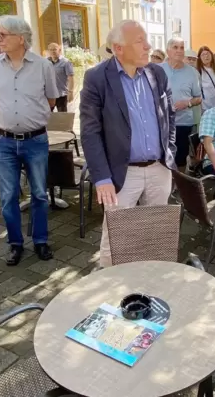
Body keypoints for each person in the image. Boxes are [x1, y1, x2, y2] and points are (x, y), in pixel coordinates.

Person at [80, 20, 176, 268]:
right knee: (116, 240)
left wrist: (170, 150)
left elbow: (169, 115)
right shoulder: (97, 78)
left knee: (155, 235)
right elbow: (90, 132)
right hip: (121, 174)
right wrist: (101, 178)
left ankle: (150, 283)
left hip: (158, 169)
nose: (148, 46)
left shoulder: (157, 73)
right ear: (118, 48)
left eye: (146, 40)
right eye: (139, 41)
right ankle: (113, 291)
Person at [0, 16, 58, 266]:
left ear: (21, 38)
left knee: (39, 193)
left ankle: (40, 240)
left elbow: (51, 100)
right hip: (4, 142)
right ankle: (15, 244)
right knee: (7, 196)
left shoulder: (43, 66)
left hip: (35, 140)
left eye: (3, 34)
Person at [160, 37, 202, 172]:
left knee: (181, 156)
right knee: (161, 155)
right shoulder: (157, 70)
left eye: (182, 47)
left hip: (183, 122)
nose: (179, 51)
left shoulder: (192, 73)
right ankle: (165, 186)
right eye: (175, 47)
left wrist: (188, 103)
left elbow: (199, 98)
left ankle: (180, 185)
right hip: (161, 122)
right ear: (167, 50)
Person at [47, 43, 75, 112]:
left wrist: (70, 92)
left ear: (59, 50)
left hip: (61, 94)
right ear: (49, 51)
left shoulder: (66, 62)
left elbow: (71, 78)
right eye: (51, 50)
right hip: (49, 95)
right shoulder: (45, 62)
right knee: (47, 117)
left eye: (55, 49)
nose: (53, 51)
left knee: (62, 118)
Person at [197, 46, 215, 113]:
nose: (206, 56)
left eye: (207, 53)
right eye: (203, 55)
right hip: (204, 106)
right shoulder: (198, 71)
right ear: (200, 58)